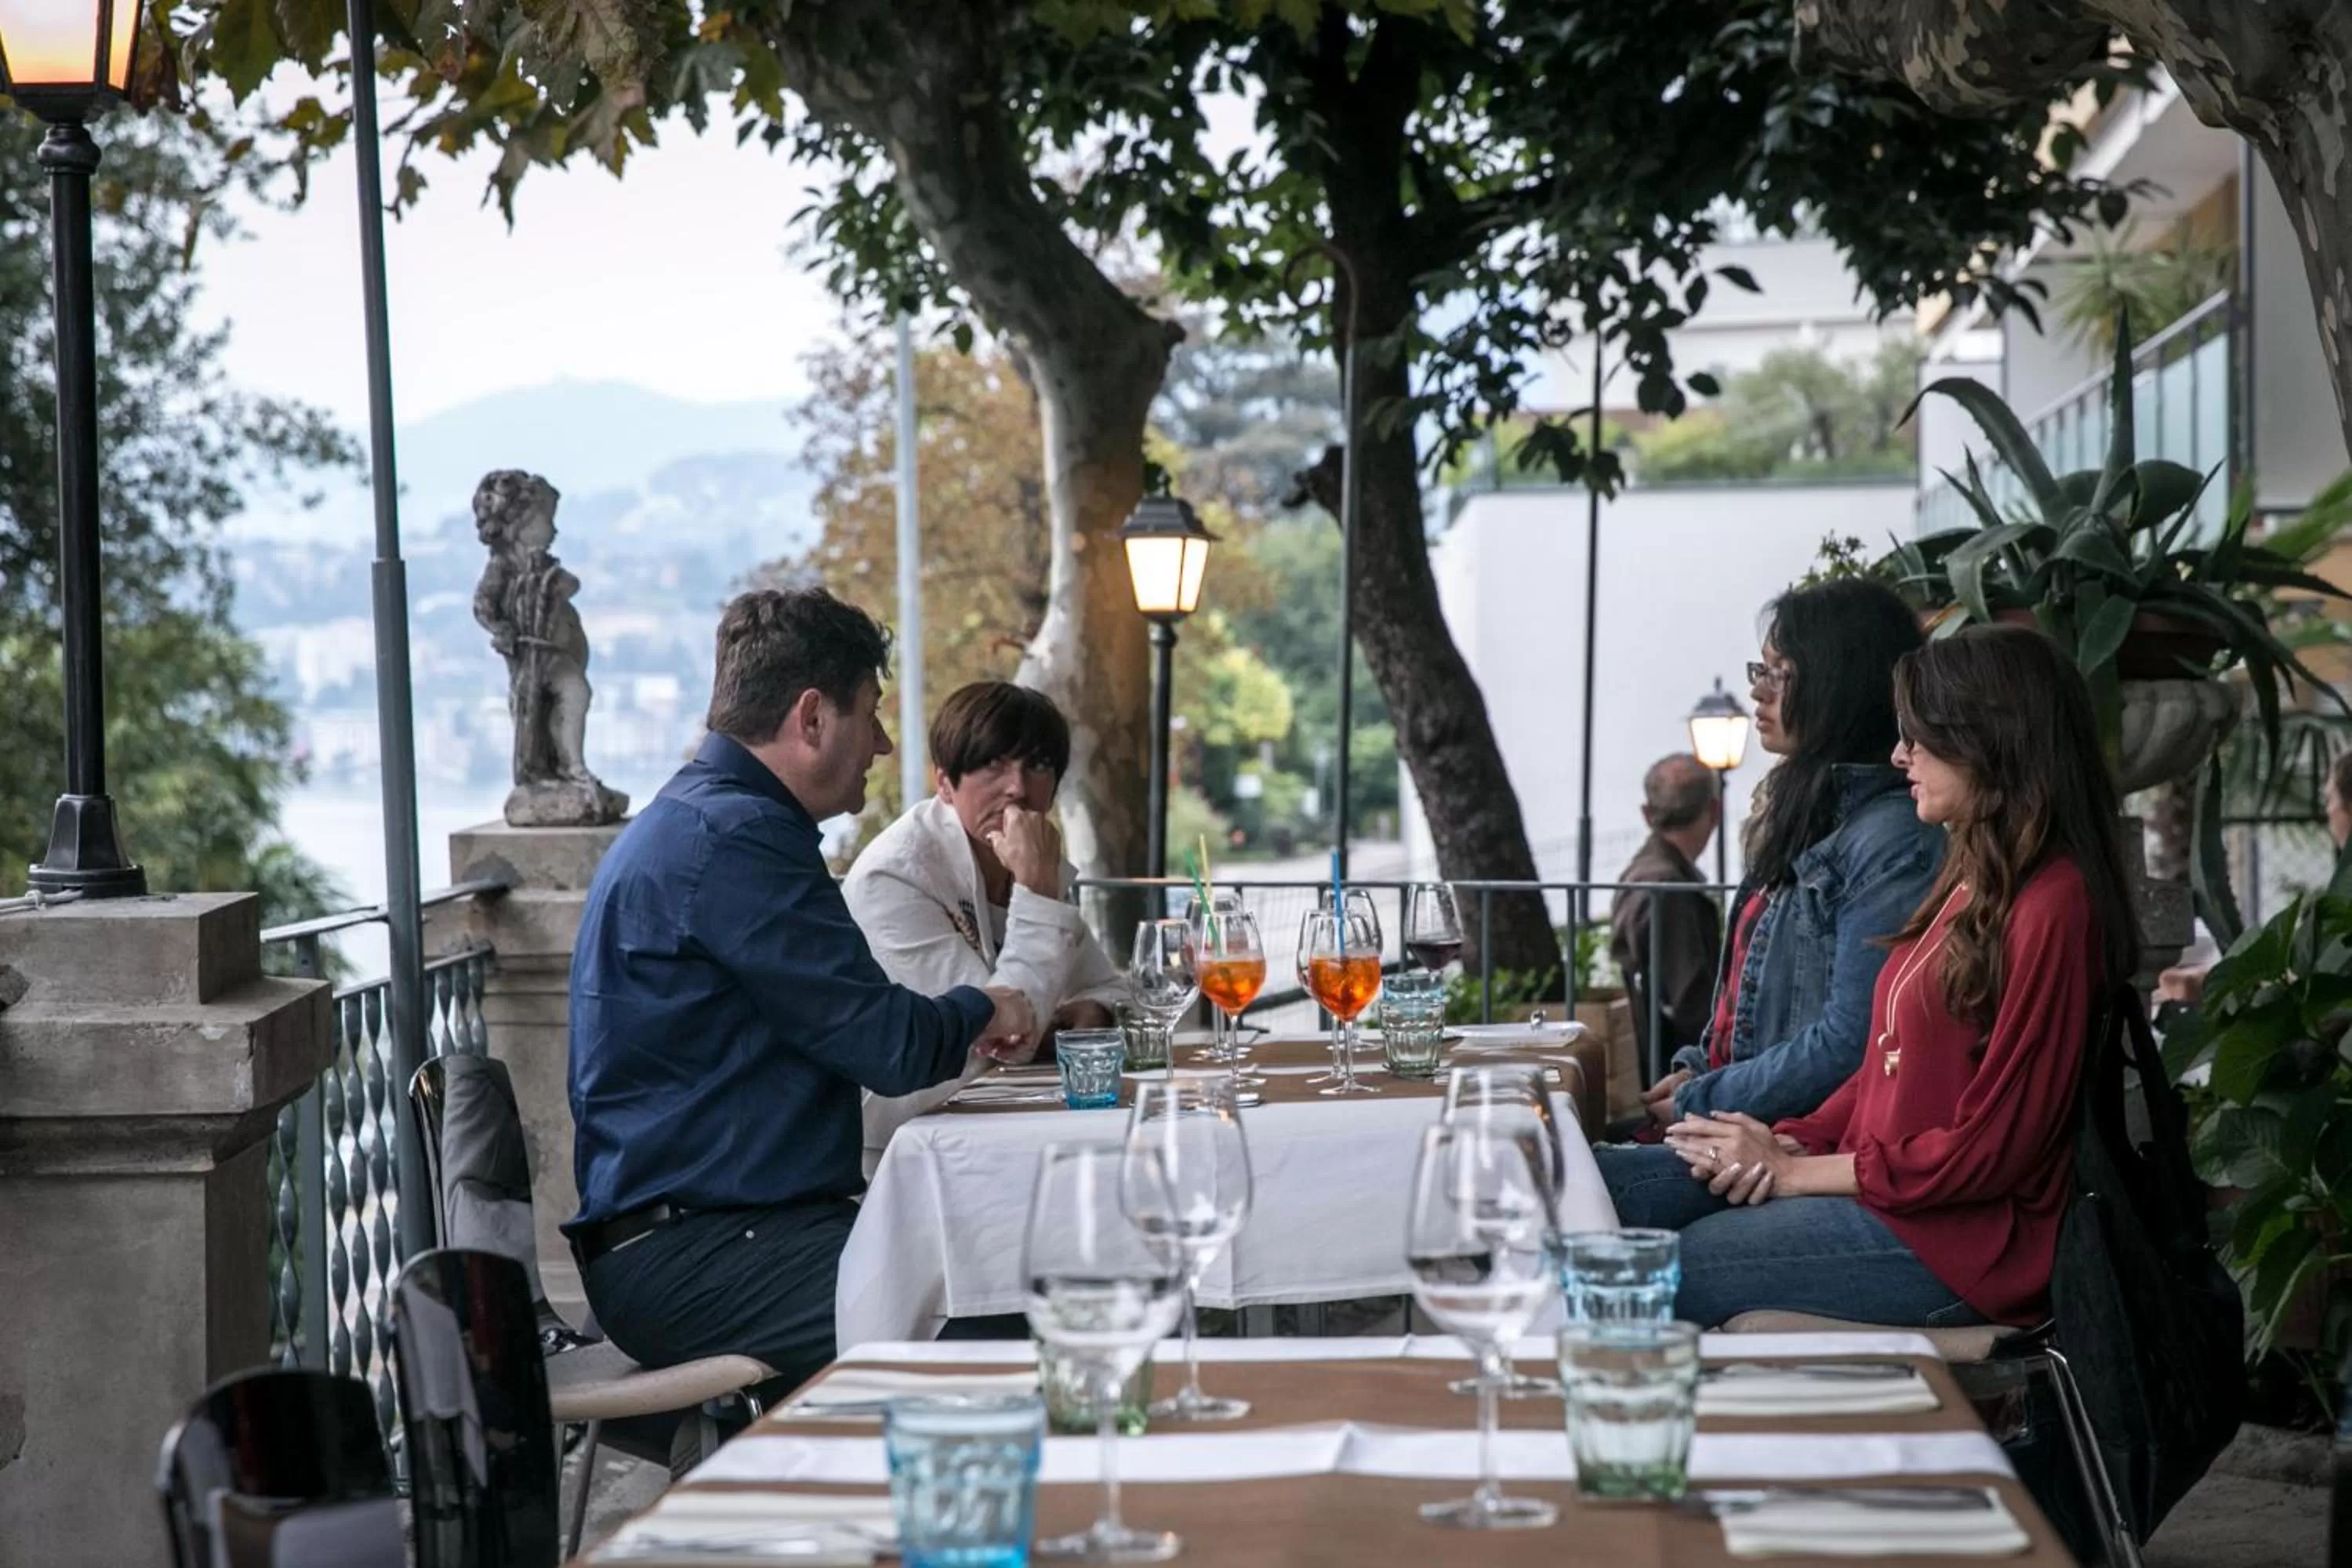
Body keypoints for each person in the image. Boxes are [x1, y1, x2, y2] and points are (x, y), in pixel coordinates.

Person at [563, 587, 1038, 1392]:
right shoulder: (738, 839)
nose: (883, 743)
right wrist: (992, 1005)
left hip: (712, 1236)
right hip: (700, 1256)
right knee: (1004, 1309)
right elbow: (888, 1047)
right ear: (812, 718)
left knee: (1008, 1262)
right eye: (871, 714)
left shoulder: (704, 820)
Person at [1634, 624, 2138, 1328]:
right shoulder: (1975, 876)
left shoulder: (2054, 902)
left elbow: (1995, 1148)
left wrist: (1796, 1172)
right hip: (1889, 1193)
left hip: (1965, 1242)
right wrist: (1797, 1138)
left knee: (1652, 1269)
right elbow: (1885, 1061)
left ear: (1990, 739)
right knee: (1614, 1195)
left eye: (1919, 736)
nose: (1900, 755)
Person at [1600, 579, 1944, 1225]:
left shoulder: (1890, 837)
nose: (1759, 691)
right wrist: (1696, 1072)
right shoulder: (1804, 809)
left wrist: (1704, 1094)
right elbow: (1749, 1001)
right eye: (1760, 670)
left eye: (1780, 674)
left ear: (1841, 684)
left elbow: (1851, 1041)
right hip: (1745, 1122)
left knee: (1574, 1190)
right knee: (1554, 1169)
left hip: (1794, 1140)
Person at [845, 681, 1127, 1175]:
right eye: (993, 764)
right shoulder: (895, 875)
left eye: (1037, 765)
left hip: (1011, 1126)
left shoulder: (1032, 861)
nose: (1017, 787)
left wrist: (1091, 1012)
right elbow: (993, 1037)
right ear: (945, 783)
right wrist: (1037, 891)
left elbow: (1112, 991)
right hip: (903, 1153)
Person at [1610, 753, 1725, 1065]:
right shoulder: (1668, 889)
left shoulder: (1640, 875)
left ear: (1647, 814)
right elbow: (1692, 1001)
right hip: (1678, 1065)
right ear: (1715, 811)